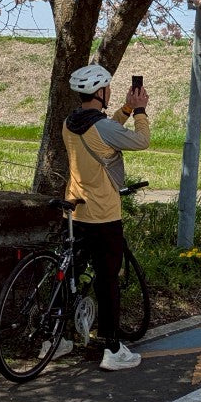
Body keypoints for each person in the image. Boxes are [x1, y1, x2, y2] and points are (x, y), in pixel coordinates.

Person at [61, 63, 150, 370]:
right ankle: (112, 348)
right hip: (102, 215)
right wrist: (139, 111)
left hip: (75, 210)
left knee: (70, 274)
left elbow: (104, 134)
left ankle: (56, 339)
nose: (110, 91)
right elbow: (140, 141)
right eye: (108, 87)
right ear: (100, 92)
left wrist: (125, 108)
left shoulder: (70, 122)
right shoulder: (101, 127)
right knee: (107, 280)